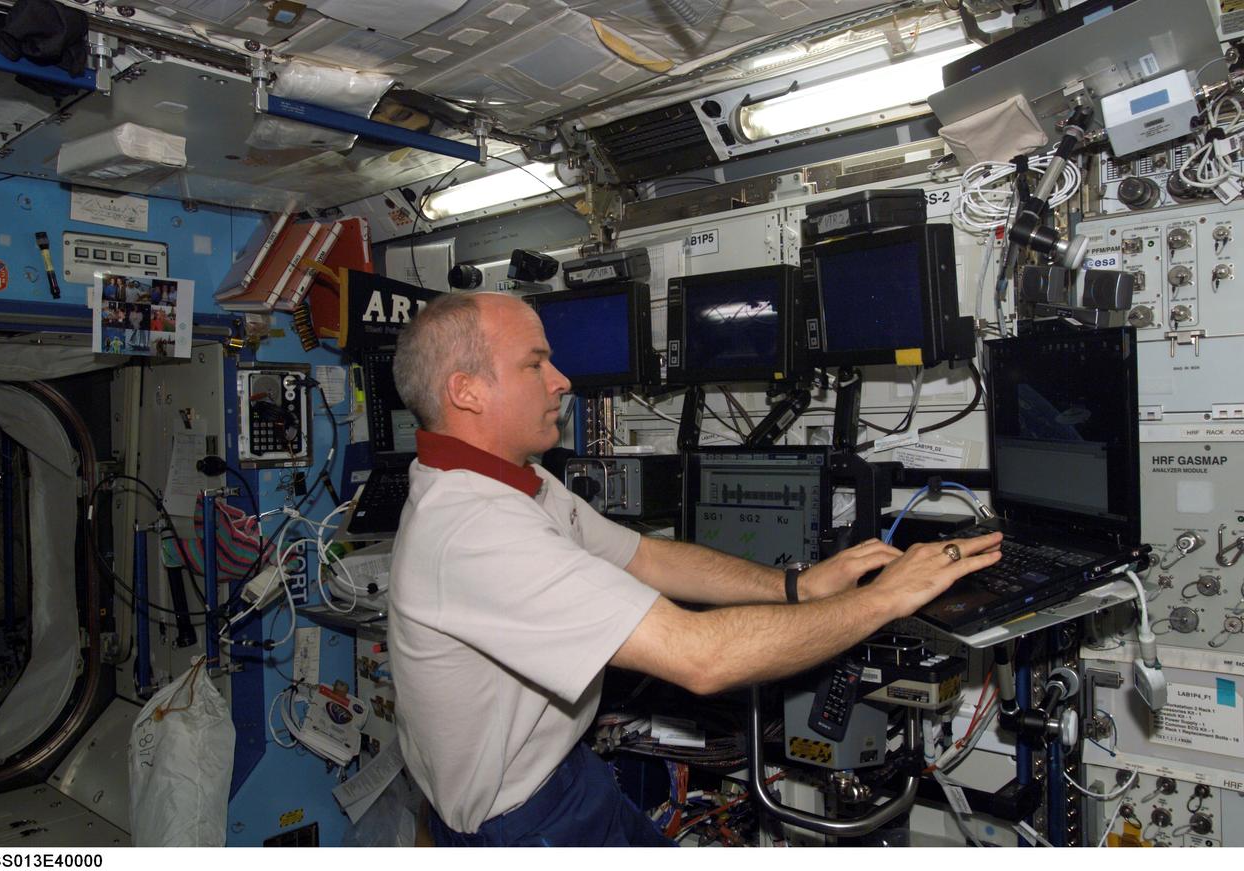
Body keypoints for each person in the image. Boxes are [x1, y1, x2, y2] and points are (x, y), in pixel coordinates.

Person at [387, 291, 1002, 847]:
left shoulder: (518, 484)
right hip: (519, 824)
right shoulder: (474, 527)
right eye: (535, 364)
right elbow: (703, 658)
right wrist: (885, 598)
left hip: (562, 773)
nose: (561, 380)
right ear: (467, 391)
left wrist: (797, 586)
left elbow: (645, 556)